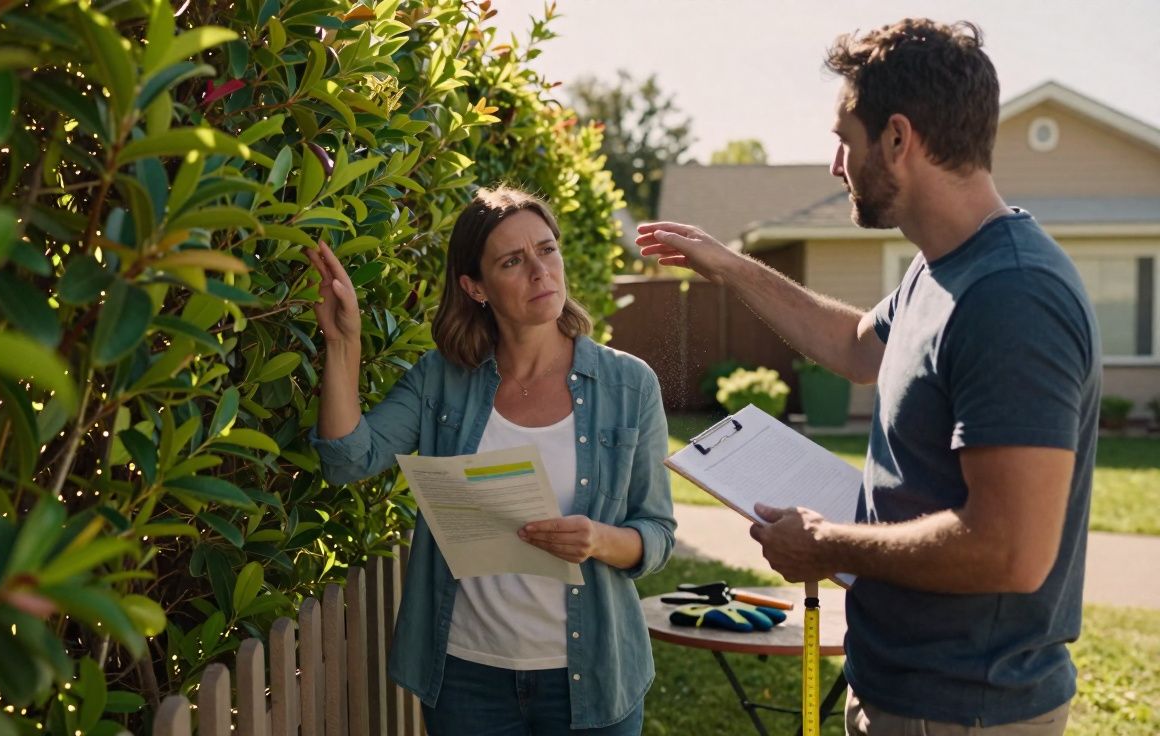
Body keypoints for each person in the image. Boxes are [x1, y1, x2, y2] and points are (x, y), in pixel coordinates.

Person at [636, 18, 1099, 736]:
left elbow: (1011, 547)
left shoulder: (1012, 296)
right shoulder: (940, 269)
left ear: (897, 140)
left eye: (843, 139)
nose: (834, 165)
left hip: (962, 708)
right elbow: (856, 346)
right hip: (902, 687)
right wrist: (728, 267)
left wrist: (828, 545)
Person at [308, 186, 675, 734]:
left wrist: (597, 540)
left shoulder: (629, 384)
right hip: (466, 679)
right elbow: (346, 460)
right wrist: (344, 345)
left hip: (594, 676)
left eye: (547, 250)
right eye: (512, 261)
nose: (539, 271)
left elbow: (658, 532)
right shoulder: (441, 380)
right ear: (475, 287)